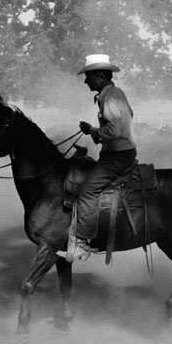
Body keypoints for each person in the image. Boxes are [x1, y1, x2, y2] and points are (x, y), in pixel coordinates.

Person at [60, 54, 137, 261]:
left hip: (117, 156)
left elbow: (114, 129)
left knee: (87, 191)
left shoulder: (110, 97)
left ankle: (82, 242)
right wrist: (93, 131)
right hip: (119, 153)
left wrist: (93, 131)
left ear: (101, 76)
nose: (86, 81)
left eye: (89, 76)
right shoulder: (114, 94)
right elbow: (124, 120)